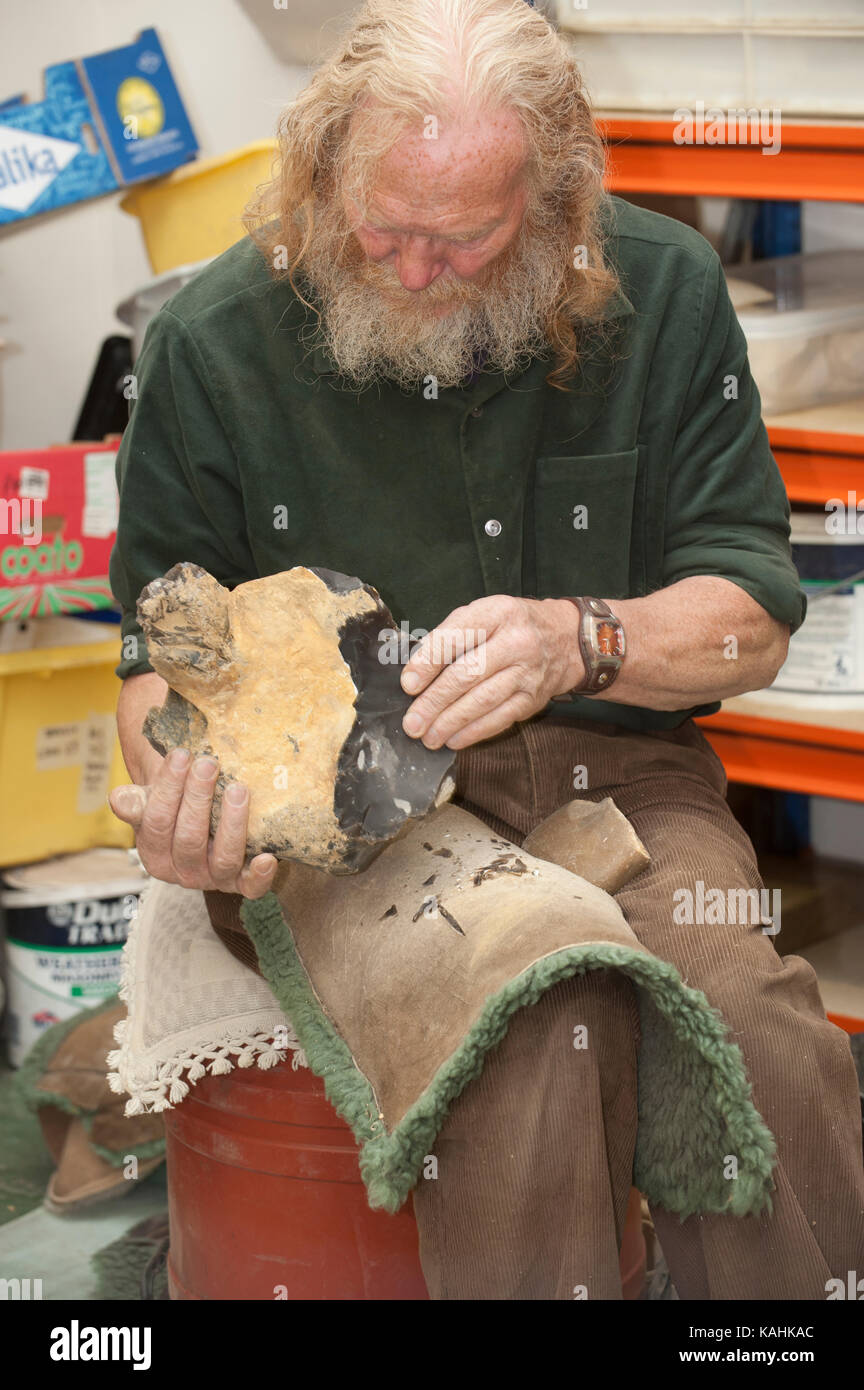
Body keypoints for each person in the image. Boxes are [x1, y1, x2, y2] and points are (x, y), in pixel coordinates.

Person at [107, 0, 864, 1299]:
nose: (410, 270)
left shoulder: (664, 291)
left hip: (612, 775)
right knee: (536, 1015)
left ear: (561, 196)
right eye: (379, 226)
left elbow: (750, 612)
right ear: (324, 161)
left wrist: (585, 637)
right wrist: (183, 810)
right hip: (336, 818)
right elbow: (148, 674)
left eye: (464, 238)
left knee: (751, 1027)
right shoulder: (210, 343)